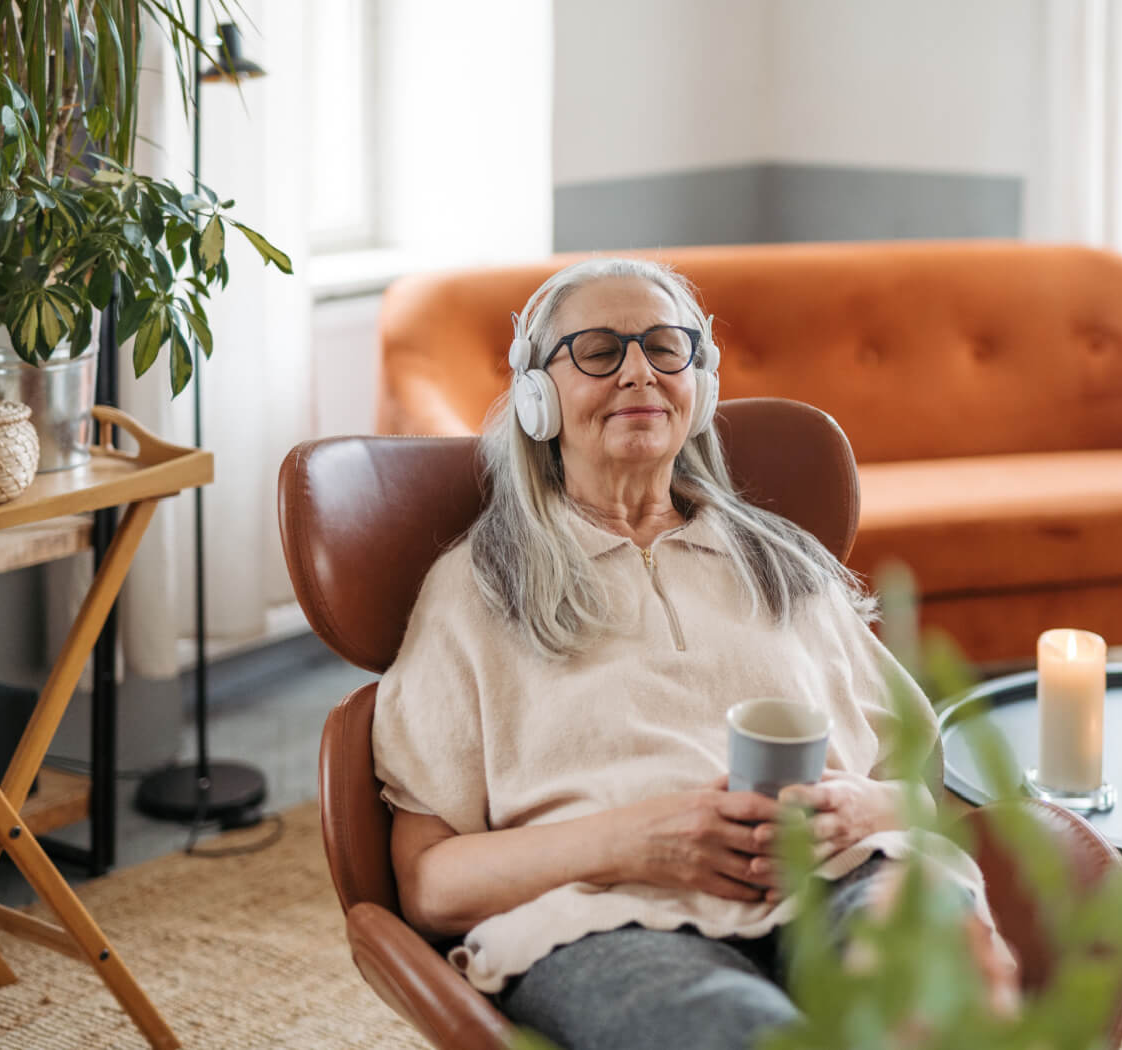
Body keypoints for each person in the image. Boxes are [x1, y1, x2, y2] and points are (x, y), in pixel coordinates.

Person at [372, 257, 1016, 1050]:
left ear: (699, 385)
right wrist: (635, 841)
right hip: (603, 915)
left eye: (665, 347)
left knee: (941, 1009)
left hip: (847, 873)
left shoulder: (787, 565)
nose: (639, 371)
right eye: (599, 350)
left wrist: (857, 807)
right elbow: (430, 884)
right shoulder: (475, 590)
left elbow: (926, 797)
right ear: (538, 397)